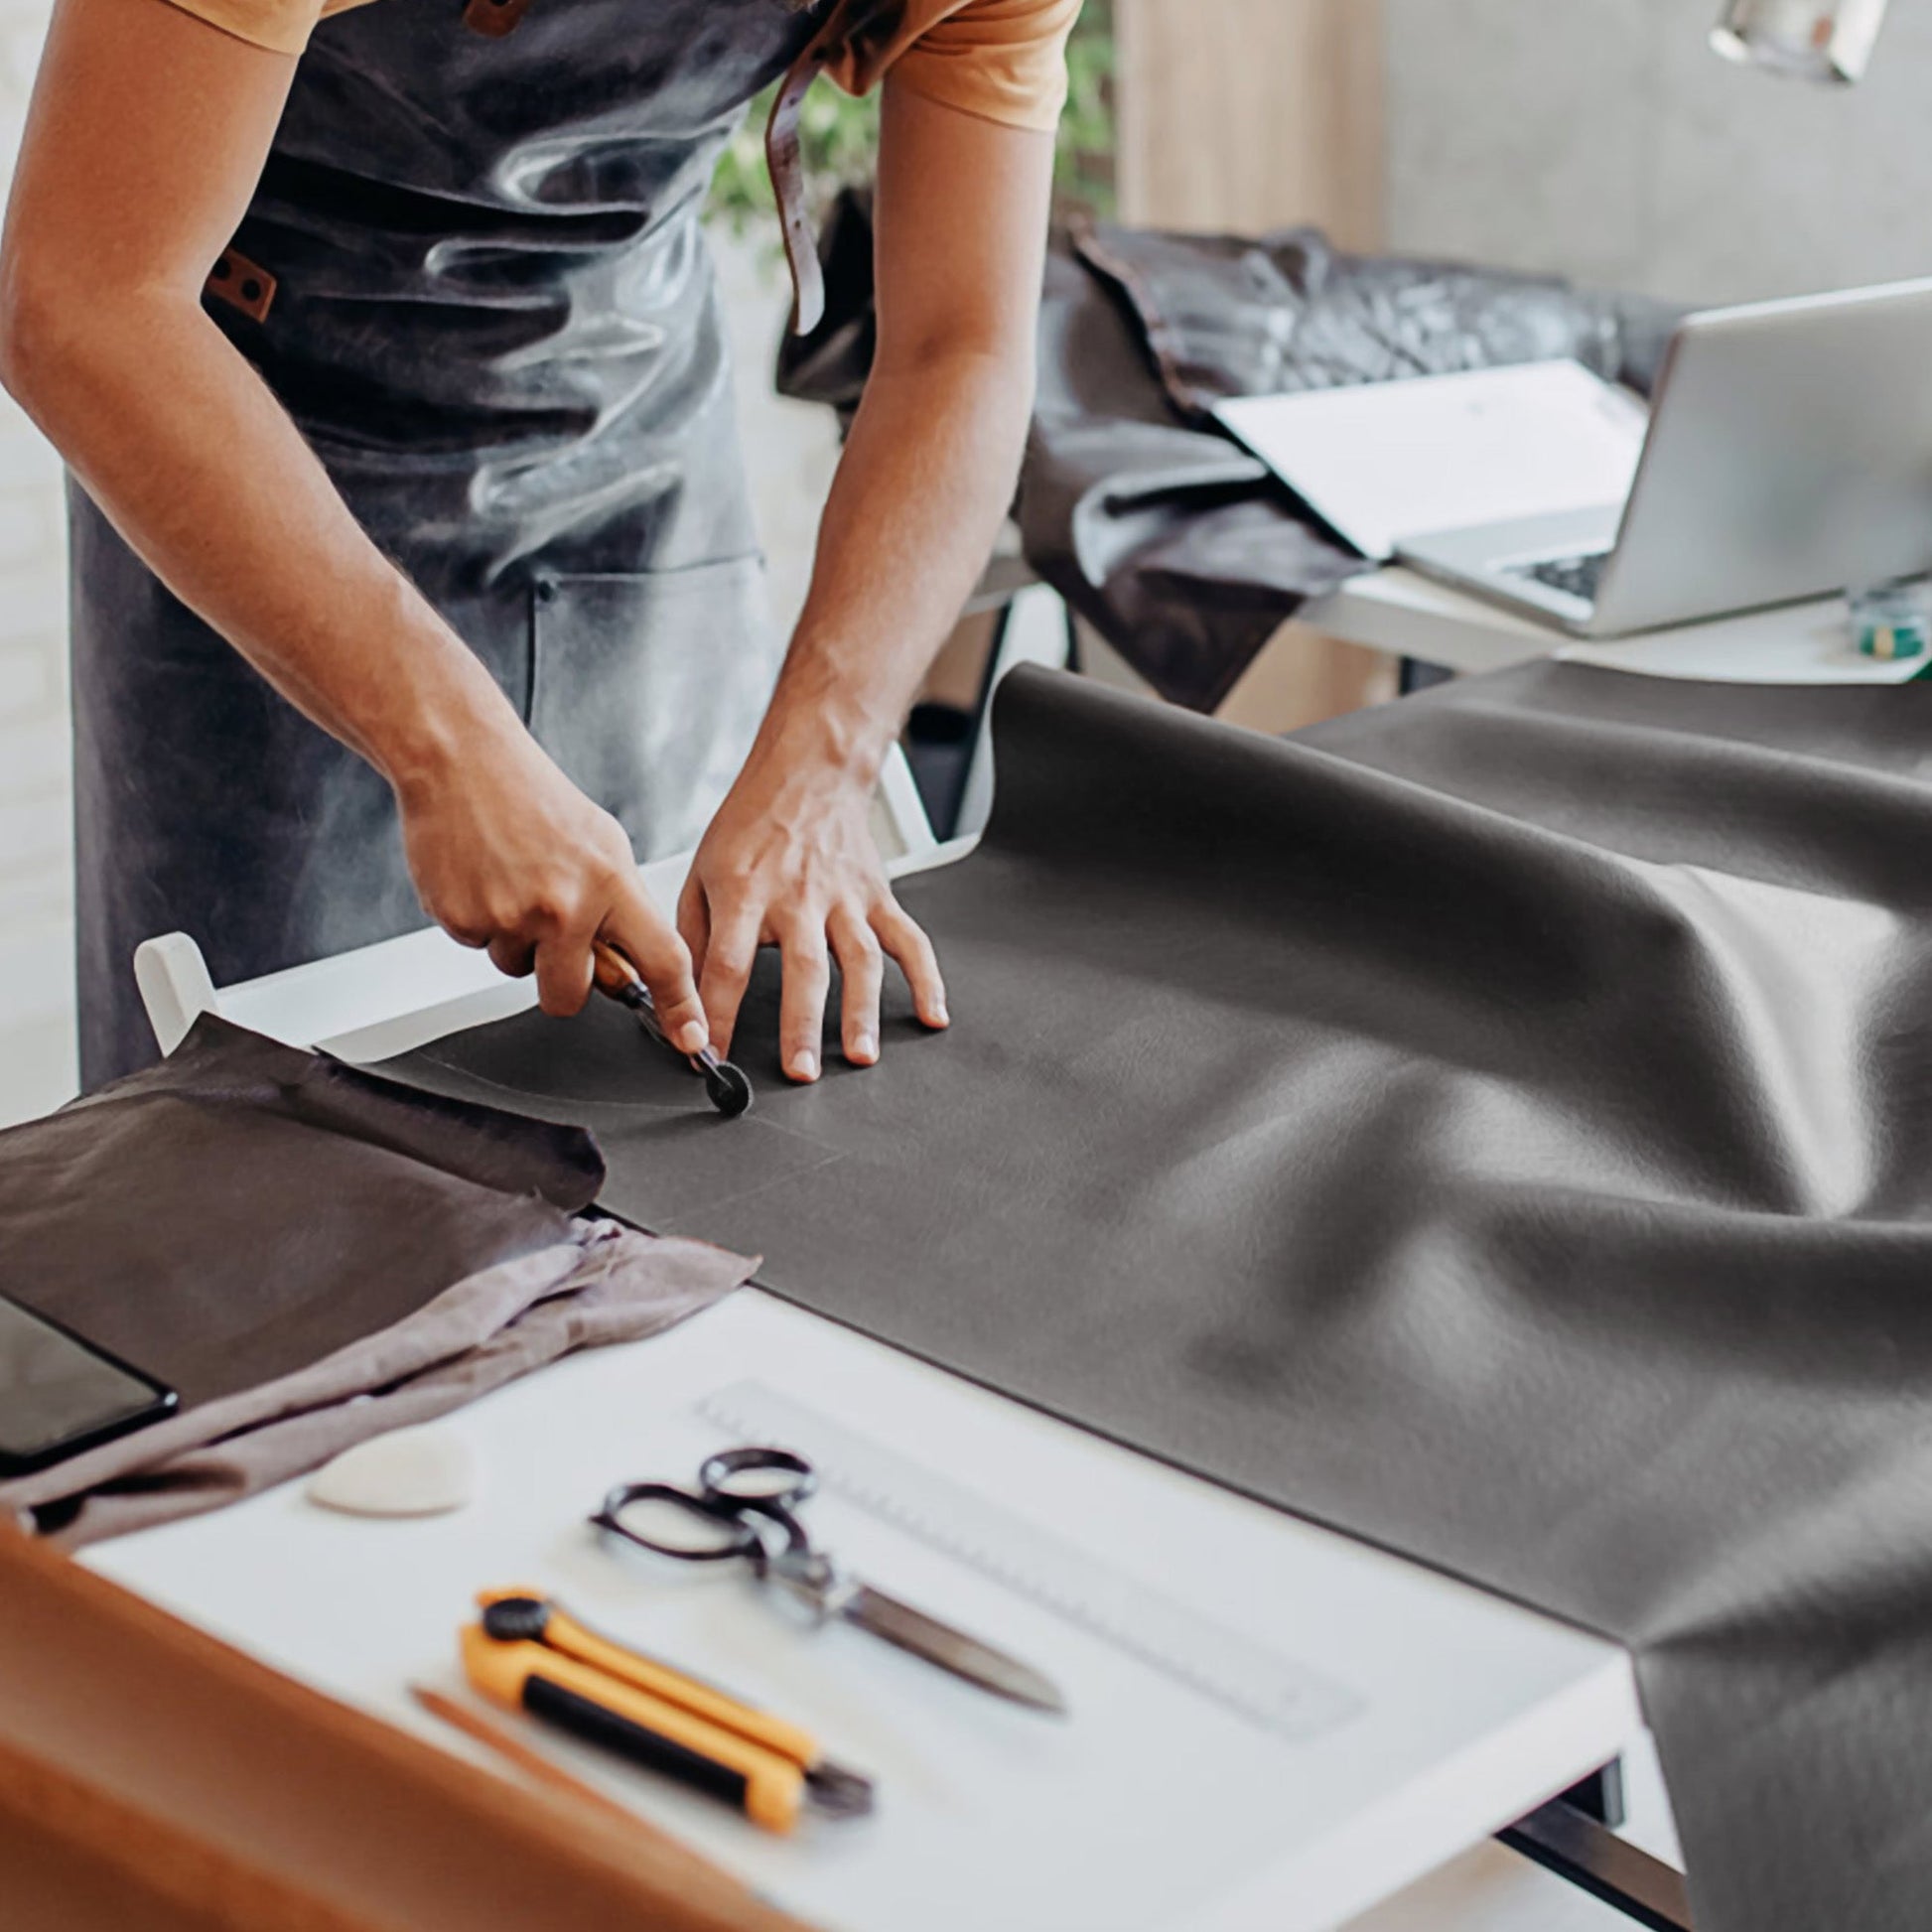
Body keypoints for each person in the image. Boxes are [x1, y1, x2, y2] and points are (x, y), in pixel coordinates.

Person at [0, 0, 1077, 1088]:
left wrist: (825, 764)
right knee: (264, 1144)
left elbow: (960, 349)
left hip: (632, 436)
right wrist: (443, 746)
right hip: (252, 454)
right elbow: (84, 299)